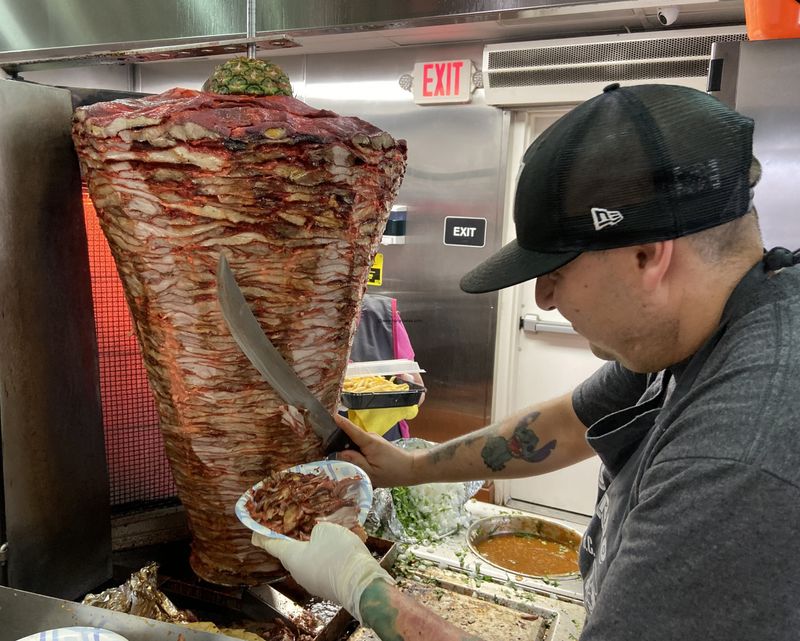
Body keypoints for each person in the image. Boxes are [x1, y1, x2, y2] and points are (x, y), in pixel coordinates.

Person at [251, 83, 800, 640]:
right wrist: (409, 469)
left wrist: (360, 586)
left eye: (557, 271)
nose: (543, 298)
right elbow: (567, 425)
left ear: (647, 256)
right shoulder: (699, 327)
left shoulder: (740, 454)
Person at [348, 293, 425, 440]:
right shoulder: (298, 318)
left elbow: (419, 392)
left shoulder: (383, 314)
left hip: (384, 443)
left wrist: (403, 390)